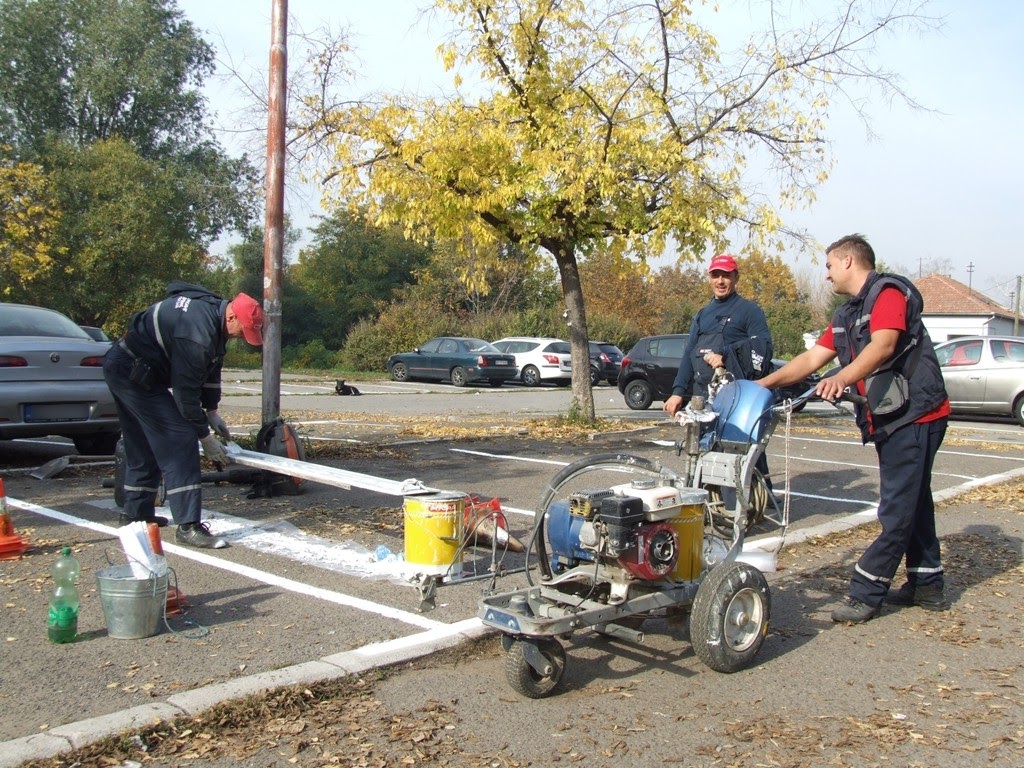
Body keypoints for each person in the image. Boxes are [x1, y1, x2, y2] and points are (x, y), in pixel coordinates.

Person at [755, 234, 950, 623]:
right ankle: (927, 584)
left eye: (828, 266)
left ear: (847, 261)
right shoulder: (847, 314)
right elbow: (812, 357)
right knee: (914, 499)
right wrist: (760, 386)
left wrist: (841, 378)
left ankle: (866, 591)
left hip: (916, 414)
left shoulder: (887, 293)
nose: (826, 276)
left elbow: (883, 346)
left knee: (897, 507)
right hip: (892, 415)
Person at [103, 281, 264, 549]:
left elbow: (210, 370)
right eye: (242, 331)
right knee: (179, 438)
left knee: (143, 443)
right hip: (132, 372)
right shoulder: (196, 333)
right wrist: (204, 437)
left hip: (128, 368)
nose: (240, 337)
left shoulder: (213, 316)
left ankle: (135, 515)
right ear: (232, 316)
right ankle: (188, 526)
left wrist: (212, 411)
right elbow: (185, 394)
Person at [663, 253, 775, 493]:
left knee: (742, 447)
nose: (721, 281)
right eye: (716, 275)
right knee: (704, 449)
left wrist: (727, 355)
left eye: (726, 275)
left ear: (736, 278)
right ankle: (707, 500)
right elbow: (688, 354)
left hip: (736, 395)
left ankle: (757, 497)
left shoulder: (749, 311)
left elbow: (763, 347)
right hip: (702, 395)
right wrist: (677, 393)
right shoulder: (702, 314)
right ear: (709, 278)